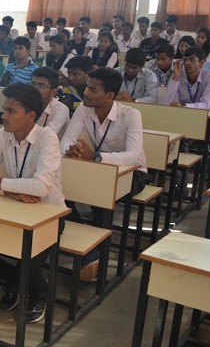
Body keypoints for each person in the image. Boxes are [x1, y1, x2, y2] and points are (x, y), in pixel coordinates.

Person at [0, 83, 66, 323]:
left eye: (11, 111)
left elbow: (41, 187)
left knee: (26, 260)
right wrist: (11, 192)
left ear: (31, 115)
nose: (4, 116)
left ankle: (39, 293)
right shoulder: (2, 135)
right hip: (11, 210)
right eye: (4, 110)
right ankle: (13, 279)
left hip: (49, 216)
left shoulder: (47, 138)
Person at [61, 67, 147, 282]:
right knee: (59, 191)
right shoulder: (83, 109)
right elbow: (66, 140)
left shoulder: (131, 115)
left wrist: (97, 157)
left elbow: (134, 156)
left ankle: (94, 256)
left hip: (132, 174)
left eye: (93, 89)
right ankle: (88, 248)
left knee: (100, 199)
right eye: (87, 87)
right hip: (97, 170)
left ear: (110, 96)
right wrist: (69, 150)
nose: (86, 93)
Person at [32, 67, 70, 139]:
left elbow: (47, 137)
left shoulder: (61, 110)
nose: (35, 89)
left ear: (53, 92)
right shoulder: (26, 104)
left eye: (41, 86)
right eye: (33, 84)